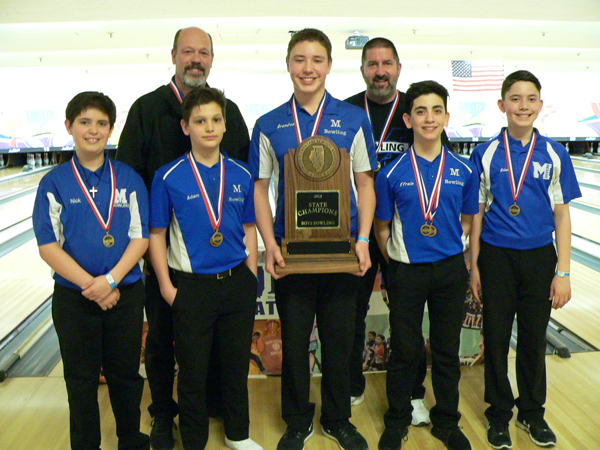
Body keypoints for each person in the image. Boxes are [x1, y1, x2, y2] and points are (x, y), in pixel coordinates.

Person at [115, 27, 250, 450]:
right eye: (188, 52)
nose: (196, 59)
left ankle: (215, 409)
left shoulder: (231, 111)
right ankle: (163, 414)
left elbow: (240, 184)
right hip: (168, 258)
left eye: (203, 52)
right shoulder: (145, 109)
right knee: (161, 340)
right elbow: (131, 182)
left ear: (212, 58)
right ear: (173, 55)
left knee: (216, 351)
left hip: (222, 264)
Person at [250, 28, 377, 450]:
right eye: (300, 59)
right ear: (288, 64)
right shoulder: (268, 124)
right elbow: (260, 189)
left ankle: (338, 418)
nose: (308, 68)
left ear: (328, 65)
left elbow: (365, 185)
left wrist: (362, 240)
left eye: (317, 59)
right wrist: (270, 244)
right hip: (293, 254)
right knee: (295, 338)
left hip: (342, 253)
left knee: (340, 341)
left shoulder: (354, 119)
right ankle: (297, 419)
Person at [469, 70, 581, 450]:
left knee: (533, 340)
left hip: (538, 258)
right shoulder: (484, 153)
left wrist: (562, 271)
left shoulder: (555, 152)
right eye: (515, 99)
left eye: (530, 98)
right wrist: (474, 266)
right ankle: (499, 415)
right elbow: (478, 213)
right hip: (497, 257)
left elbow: (562, 215)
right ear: (502, 105)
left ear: (540, 105)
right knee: (497, 339)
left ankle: (533, 413)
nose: (523, 106)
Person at [32, 91, 150, 450]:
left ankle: (130, 440)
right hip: (74, 298)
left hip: (125, 295)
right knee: (81, 381)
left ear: (111, 129)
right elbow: (48, 245)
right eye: (84, 122)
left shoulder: (128, 178)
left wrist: (111, 281)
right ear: (69, 126)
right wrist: (93, 286)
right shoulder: (53, 183)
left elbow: (140, 236)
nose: (93, 130)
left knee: (126, 376)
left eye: (101, 123)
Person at [149, 87, 261, 450]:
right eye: (200, 121)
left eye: (215, 120)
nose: (208, 127)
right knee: (193, 373)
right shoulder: (168, 177)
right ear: (186, 127)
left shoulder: (242, 174)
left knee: (234, 367)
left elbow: (248, 229)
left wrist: (252, 275)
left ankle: (238, 434)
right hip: (191, 288)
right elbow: (157, 235)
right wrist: (167, 288)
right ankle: (194, 440)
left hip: (236, 283)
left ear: (225, 125)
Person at [374, 80, 478, 450]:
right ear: (408, 118)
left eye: (436, 110)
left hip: (450, 270)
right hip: (407, 270)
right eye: (420, 111)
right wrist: (401, 258)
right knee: (405, 348)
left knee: (447, 349)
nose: (429, 118)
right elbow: (381, 227)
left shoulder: (465, 170)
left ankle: (447, 421)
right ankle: (397, 419)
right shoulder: (390, 172)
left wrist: (445, 247)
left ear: (447, 117)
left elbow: (467, 221)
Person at [344, 38, 430, 425]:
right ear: (362, 69)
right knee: (350, 312)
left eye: (387, 63)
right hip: (356, 229)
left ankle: (413, 392)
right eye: (372, 64)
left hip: (403, 231)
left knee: (407, 317)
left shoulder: (415, 110)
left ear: (398, 67)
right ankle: (350, 382)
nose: (380, 71)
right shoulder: (344, 111)